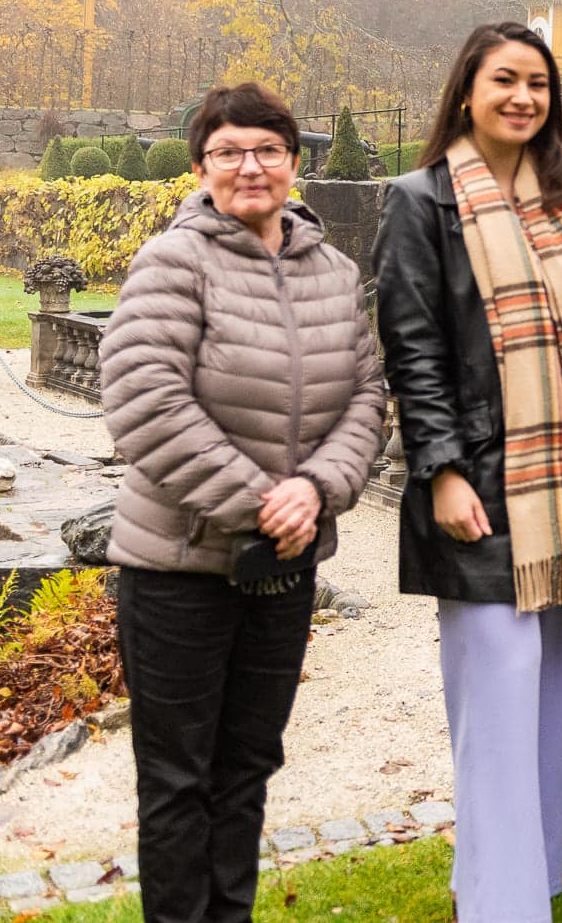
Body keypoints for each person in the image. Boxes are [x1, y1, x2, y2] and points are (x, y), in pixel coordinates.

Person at [375, 23, 562, 922]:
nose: (523, 98)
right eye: (505, 80)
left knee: (542, 716)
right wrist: (441, 471)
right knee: (496, 705)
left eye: (537, 83)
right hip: (486, 492)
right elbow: (412, 348)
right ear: (467, 90)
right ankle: (498, 907)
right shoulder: (421, 201)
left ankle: (518, 886)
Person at [101, 82, 385, 923]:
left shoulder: (334, 272)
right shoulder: (173, 261)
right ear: (200, 168)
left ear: (295, 164)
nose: (250, 165)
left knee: (249, 763)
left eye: (267, 149)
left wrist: (319, 489)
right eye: (228, 151)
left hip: (283, 569)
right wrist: (264, 499)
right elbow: (144, 398)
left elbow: (367, 395)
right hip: (179, 567)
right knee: (179, 778)